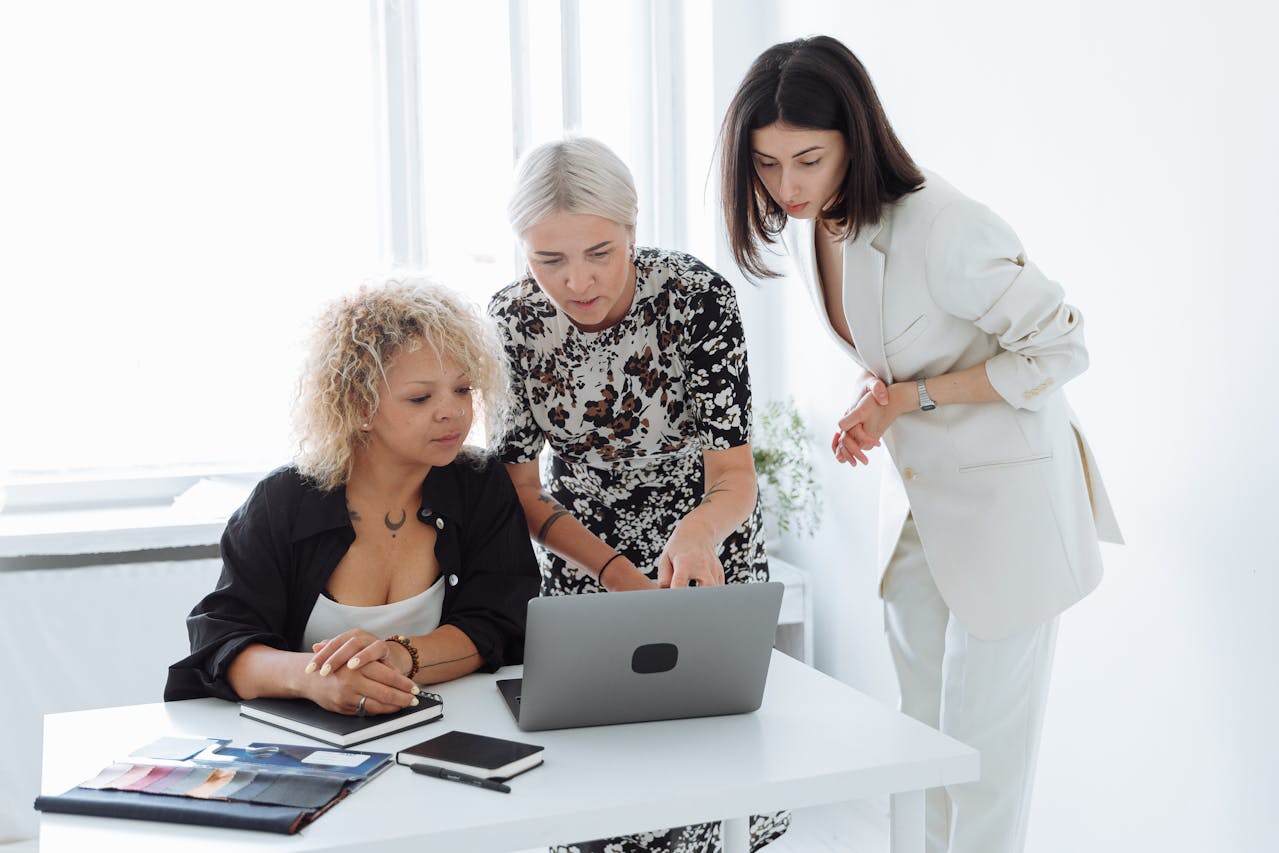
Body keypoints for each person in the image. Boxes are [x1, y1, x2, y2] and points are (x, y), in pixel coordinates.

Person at [719, 35, 1122, 853]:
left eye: (807, 159)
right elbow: (906, 340)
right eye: (765, 164)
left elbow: (1062, 347)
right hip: (920, 510)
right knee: (919, 746)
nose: (787, 186)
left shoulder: (944, 225)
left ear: (853, 140)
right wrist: (880, 398)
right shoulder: (811, 228)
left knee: (980, 758)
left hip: (1008, 511)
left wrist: (916, 395)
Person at [489, 136, 786, 852]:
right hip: (584, 565)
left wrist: (696, 534)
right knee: (596, 800)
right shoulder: (509, 323)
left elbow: (733, 476)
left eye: (599, 251)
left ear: (632, 228)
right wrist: (615, 573)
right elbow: (523, 493)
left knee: (707, 791)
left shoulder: (695, 299)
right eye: (547, 259)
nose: (576, 282)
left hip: (704, 559)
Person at [165, 279, 540, 715]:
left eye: (463, 389)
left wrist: (399, 656)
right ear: (360, 407)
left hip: (448, 732)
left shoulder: (480, 484)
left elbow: (498, 625)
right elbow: (221, 647)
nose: (453, 411)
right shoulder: (282, 500)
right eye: (420, 397)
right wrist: (314, 678)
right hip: (306, 750)